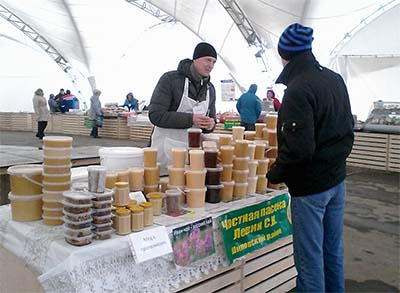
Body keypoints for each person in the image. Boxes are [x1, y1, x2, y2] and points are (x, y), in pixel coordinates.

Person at [266, 23, 354, 293]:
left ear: (285, 54)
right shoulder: (333, 79)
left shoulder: (298, 89)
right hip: (337, 182)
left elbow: (299, 150)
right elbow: (347, 129)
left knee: (309, 260)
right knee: (332, 252)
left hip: (310, 189)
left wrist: (275, 174)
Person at [149, 42, 217, 173]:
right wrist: (191, 119)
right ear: (195, 59)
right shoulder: (170, 80)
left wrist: (210, 125)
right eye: (207, 60)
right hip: (165, 151)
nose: (211, 65)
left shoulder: (210, 89)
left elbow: (212, 120)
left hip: (193, 154)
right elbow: (156, 115)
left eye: (214, 62)